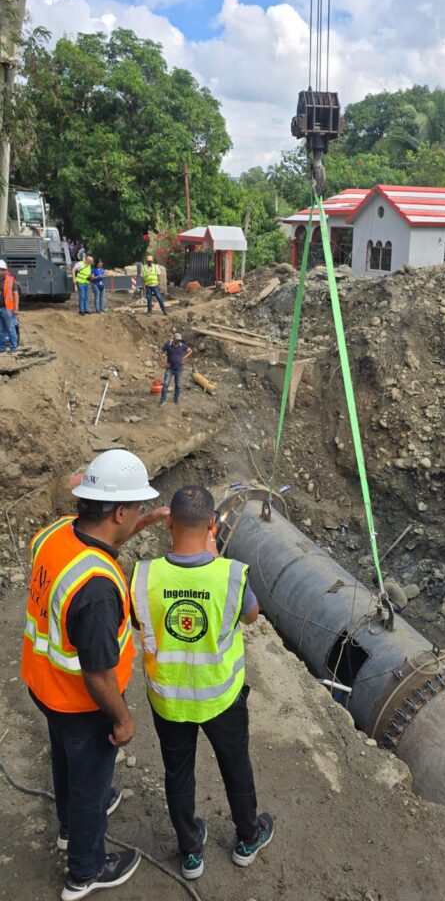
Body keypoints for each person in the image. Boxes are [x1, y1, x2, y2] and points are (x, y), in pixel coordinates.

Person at [21, 449, 169, 901]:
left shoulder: (55, 535)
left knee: (67, 760)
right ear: (119, 511)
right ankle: (85, 871)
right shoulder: (99, 588)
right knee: (90, 781)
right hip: (83, 704)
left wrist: (144, 524)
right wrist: (123, 720)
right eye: (138, 508)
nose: (140, 513)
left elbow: (97, 541)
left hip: (44, 685)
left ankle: (70, 824)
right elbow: (100, 674)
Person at [130, 486, 273, 882]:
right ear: (212, 525)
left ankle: (191, 852)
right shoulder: (229, 574)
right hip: (221, 698)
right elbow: (251, 616)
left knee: (178, 773)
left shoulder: (144, 576)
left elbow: (140, 623)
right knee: (235, 766)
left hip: (169, 700)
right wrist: (214, 562)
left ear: (169, 523)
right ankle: (247, 839)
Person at [159, 332, 192, 406]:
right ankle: (162, 400)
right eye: (177, 340)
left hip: (178, 369)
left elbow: (190, 350)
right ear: (174, 339)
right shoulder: (168, 345)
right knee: (165, 384)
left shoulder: (182, 346)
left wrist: (185, 357)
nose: (178, 341)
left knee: (178, 386)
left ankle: (175, 399)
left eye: (180, 340)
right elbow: (160, 352)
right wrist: (164, 363)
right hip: (169, 369)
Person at [0, 259, 19, 355]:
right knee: (1, 330)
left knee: (11, 329)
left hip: (8, 309)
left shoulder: (11, 280)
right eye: (1, 270)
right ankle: (2, 349)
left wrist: (16, 307)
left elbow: (15, 294)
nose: (3, 272)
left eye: (4, 270)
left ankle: (14, 349)